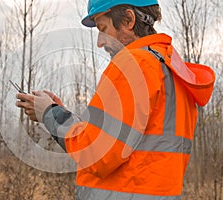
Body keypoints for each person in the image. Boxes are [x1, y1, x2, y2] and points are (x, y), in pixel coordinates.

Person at [15, 0, 215, 199]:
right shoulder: (169, 70)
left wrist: (50, 114)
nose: (99, 43)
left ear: (128, 20)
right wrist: (58, 111)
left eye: (103, 29)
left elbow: (95, 154)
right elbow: (126, 145)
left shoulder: (133, 64)